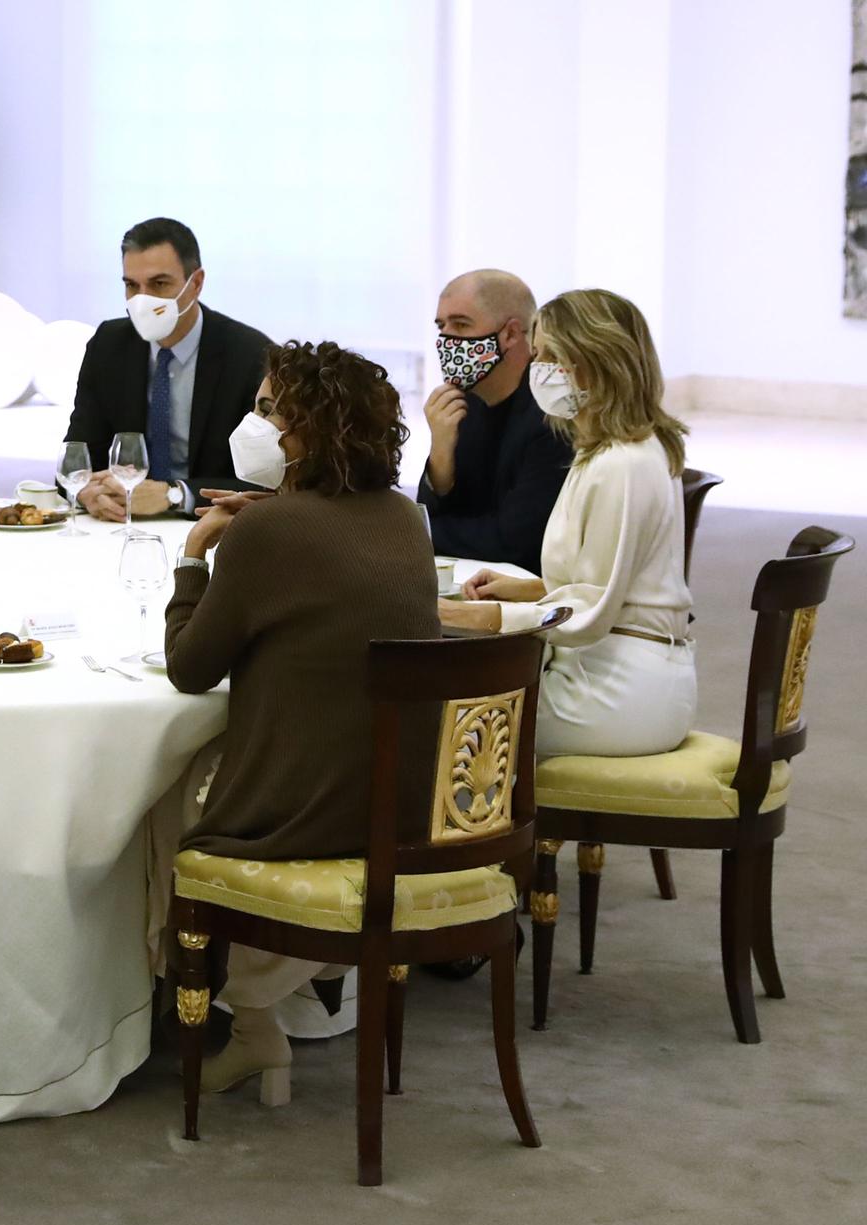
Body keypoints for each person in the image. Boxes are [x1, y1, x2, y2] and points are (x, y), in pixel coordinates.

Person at [163, 340, 437, 1098]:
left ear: (305, 429)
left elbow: (190, 667)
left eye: (266, 410)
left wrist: (195, 554)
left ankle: (242, 1021)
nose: (253, 424)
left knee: (168, 800)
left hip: (305, 815)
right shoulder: (406, 520)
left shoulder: (263, 534)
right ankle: (270, 1018)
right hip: (400, 809)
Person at [440, 289, 696, 757]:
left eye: (555, 357)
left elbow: (591, 612)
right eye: (539, 356)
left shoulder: (622, 463)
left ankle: (481, 831)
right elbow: (612, 585)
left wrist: (475, 616)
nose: (541, 371)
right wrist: (533, 589)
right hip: (619, 669)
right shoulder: (613, 450)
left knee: (438, 721)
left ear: (598, 360)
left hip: (619, 690)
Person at [70, 217, 272, 520]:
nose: (143, 300)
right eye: (131, 285)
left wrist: (174, 495)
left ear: (196, 283)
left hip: (212, 525)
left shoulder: (250, 355)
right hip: (120, 523)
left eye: (159, 284)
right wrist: (85, 491)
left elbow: (266, 482)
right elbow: (77, 458)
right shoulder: (109, 345)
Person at [417, 269, 573, 571]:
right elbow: (434, 515)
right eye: (441, 326)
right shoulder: (463, 404)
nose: (447, 339)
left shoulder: (553, 412)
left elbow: (513, 543)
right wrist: (440, 457)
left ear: (511, 334)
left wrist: (414, 532)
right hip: (478, 581)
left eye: (461, 324)